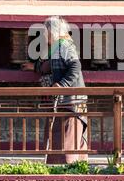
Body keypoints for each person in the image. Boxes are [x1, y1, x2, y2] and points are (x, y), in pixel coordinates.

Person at [22, 16, 88, 164]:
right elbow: (49, 66)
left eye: (46, 31)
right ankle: (58, 166)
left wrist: (63, 84)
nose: (44, 35)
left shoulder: (64, 45)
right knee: (57, 136)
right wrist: (34, 67)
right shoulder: (56, 48)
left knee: (67, 138)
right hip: (62, 103)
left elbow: (75, 67)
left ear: (53, 31)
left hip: (71, 103)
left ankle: (67, 171)